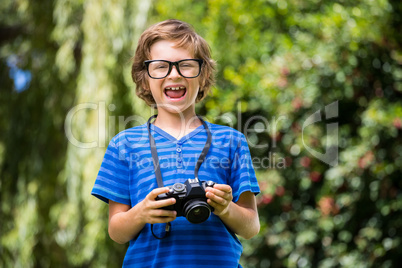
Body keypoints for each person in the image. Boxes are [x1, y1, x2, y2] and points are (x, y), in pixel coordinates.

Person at [91, 19, 260, 268]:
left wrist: (225, 208)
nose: (174, 74)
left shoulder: (231, 141)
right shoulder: (124, 145)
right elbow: (117, 231)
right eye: (160, 67)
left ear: (202, 76)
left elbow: (251, 227)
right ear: (144, 77)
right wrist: (142, 212)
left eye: (186, 65)